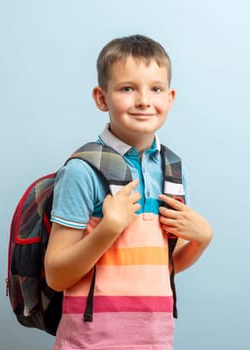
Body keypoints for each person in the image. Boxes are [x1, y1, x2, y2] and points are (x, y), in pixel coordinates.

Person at [44, 34, 213, 350]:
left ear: (171, 97)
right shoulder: (82, 170)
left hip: (155, 341)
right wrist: (107, 229)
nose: (144, 100)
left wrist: (201, 241)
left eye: (156, 88)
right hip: (89, 343)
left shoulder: (172, 169)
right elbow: (56, 275)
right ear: (101, 97)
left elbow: (161, 264)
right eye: (127, 88)